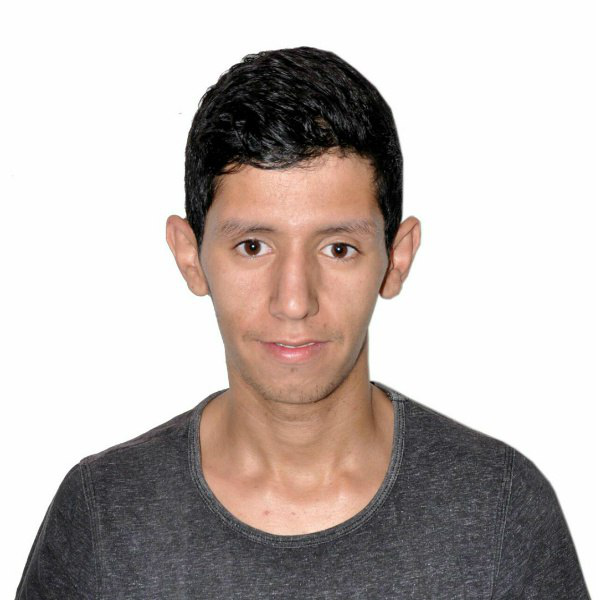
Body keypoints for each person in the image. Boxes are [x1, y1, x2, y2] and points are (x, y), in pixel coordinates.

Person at [15, 46, 590, 599]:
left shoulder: (499, 513)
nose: (294, 302)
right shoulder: (104, 519)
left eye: (338, 248)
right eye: (253, 246)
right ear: (190, 256)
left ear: (397, 258)